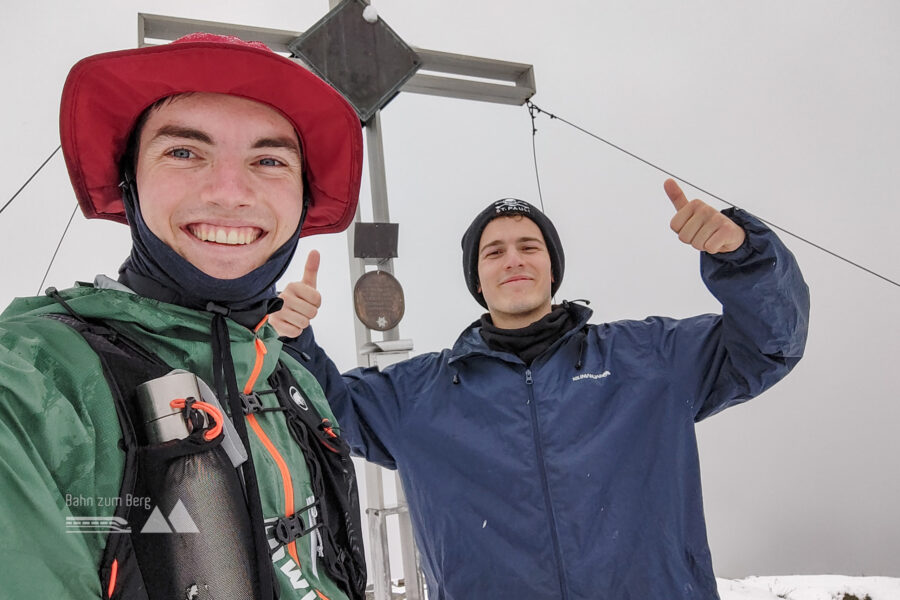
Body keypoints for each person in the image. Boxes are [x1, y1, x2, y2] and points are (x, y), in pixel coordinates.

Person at [275, 181, 811, 600]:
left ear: (551, 268)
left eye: (529, 246)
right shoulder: (419, 395)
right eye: (494, 252)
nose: (514, 259)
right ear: (477, 281)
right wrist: (292, 340)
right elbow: (326, 413)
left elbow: (767, 346)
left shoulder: (649, 358)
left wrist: (743, 256)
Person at [0, 34, 367, 599]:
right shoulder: (31, 381)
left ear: (301, 197)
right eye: (183, 152)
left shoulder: (292, 383)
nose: (229, 191)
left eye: (268, 160)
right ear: (131, 183)